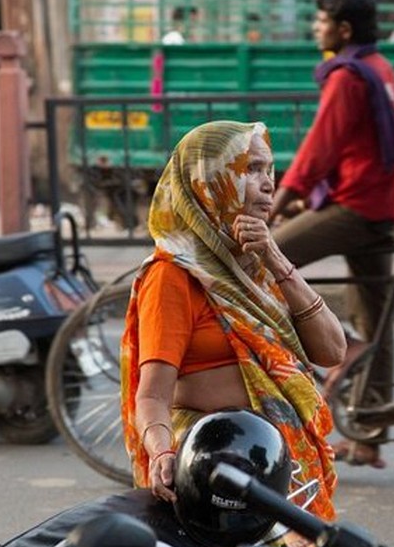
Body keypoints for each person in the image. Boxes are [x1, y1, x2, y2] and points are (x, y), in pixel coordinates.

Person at [121, 120, 346, 521]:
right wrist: (161, 451)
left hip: (273, 462)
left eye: (269, 169)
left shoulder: (255, 266)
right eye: (250, 169)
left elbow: (332, 350)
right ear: (210, 181)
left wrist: (276, 259)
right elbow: (152, 395)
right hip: (217, 469)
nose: (268, 184)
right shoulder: (172, 276)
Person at [269, 0, 394, 470]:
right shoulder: (379, 67)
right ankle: (369, 435)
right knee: (378, 317)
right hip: (384, 204)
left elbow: (318, 150)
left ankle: (341, 347)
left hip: (357, 207)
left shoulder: (348, 76)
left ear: (343, 29)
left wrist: (275, 204)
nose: (315, 27)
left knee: (261, 261)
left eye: (321, 19)